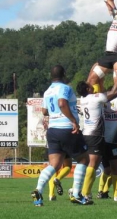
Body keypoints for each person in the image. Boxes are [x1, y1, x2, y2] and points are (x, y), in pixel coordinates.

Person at [31, 65, 90, 206]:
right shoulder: (65, 88)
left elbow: (44, 111)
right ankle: (76, 194)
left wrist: (55, 112)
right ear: (64, 74)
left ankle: (38, 190)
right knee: (84, 159)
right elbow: (62, 103)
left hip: (53, 130)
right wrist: (73, 120)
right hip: (66, 128)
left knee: (55, 165)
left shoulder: (47, 91)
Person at [76, 70, 117, 201]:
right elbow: (114, 93)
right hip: (95, 136)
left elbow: (95, 86)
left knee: (91, 164)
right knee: (93, 165)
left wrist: (101, 78)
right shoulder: (94, 98)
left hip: (86, 134)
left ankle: (83, 192)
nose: (93, 85)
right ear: (87, 88)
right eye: (90, 85)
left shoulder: (83, 98)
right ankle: (84, 193)